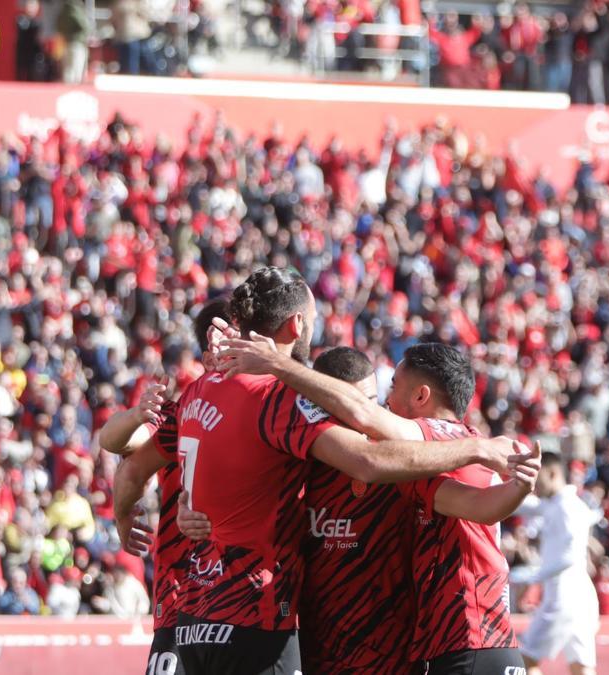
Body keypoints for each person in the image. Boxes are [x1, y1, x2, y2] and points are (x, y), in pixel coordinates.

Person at [113, 267, 530, 674]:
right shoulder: (292, 416)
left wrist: (140, 512)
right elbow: (367, 457)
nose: (377, 409)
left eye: (383, 396)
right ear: (297, 324)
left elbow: (130, 465)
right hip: (259, 627)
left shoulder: (201, 392)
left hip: (206, 623)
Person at [214, 338, 537, 673]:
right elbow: (481, 506)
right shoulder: (420, 468)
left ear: (421, 396)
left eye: (391, 388)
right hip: (453, 646)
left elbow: (365, 420)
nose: (385, 401)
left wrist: (276, 363)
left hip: (468, 641)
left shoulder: (445, 439)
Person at [103, 296, 232, 675]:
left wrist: (124, 513)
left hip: (240, 601)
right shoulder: (180, 416)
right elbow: (117, 445)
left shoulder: (269, 411)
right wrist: (123, 513)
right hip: (187, 593)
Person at [514, 452, 599, 675]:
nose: (535, 485)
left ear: (552, 473)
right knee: (581, 667)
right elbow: (523, 505)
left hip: (564, 597)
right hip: (577, 596)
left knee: (526, 659)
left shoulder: (569, 507)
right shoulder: (556, 504)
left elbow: (571, 555)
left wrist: (533, 578)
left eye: (538, 477)